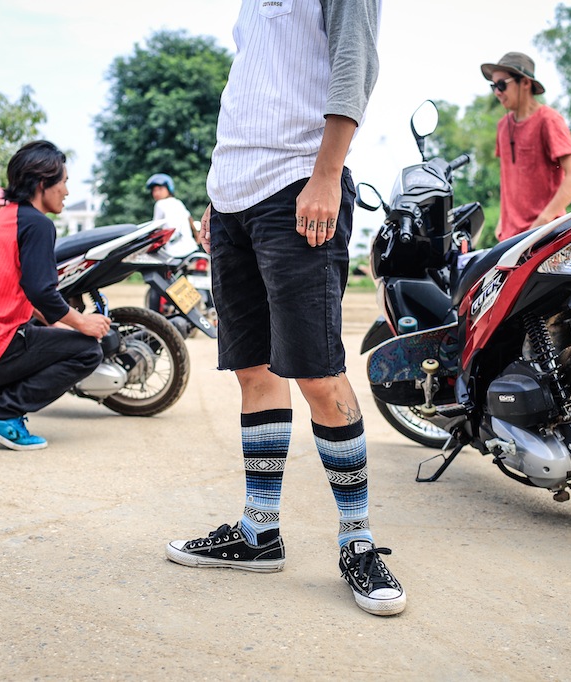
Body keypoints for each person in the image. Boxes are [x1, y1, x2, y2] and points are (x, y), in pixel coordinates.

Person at [164, 0, 405, 617]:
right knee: (254, 371)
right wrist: (221, 192)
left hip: (298, 184)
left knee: (318, 374)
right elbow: (254, 84)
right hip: (233, 198)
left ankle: (357, 541)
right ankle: (258, 532)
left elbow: (355, 63)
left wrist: (327, 173)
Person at [0, 141, 111, 451]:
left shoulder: (7, 216)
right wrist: (82, 323)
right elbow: (42, 291)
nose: (66, 192)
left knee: (44, 337)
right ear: (42, 183)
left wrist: (59, 324)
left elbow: (25, 293)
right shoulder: (37, 225)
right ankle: (1, 413)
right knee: (87, 351)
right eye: (63, 182)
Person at [481, 51, 571, 242]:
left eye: (501, 84)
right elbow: (510, 178)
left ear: (525, 83)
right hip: (510, 240)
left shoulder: (549, 120)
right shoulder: (503, 127)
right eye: (493, 86)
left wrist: (542, 222)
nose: (497, 92)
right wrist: (502, 223)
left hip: (546, 237)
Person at [146, 173, 198, 259]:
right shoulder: (178, 202)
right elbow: (190, 219)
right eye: (154, 190)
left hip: (174, 252)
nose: (157, 193)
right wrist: (197, 237)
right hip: (191, 248)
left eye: (160, 189)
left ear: (169, 189)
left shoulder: (159, 204)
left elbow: (155, 228)